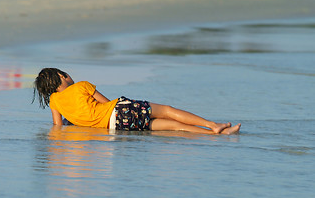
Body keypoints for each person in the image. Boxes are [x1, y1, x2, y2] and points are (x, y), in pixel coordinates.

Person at [33, 68, 241, 135]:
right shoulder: (81, 86)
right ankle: (214, 125)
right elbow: (106, 103)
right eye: (66, 75)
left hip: (116, 126)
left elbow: (57, 127)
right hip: (118, 111)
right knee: (167, 110)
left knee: (174, 127)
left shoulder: (54, 102)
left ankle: (216, 136)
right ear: (61, 77)